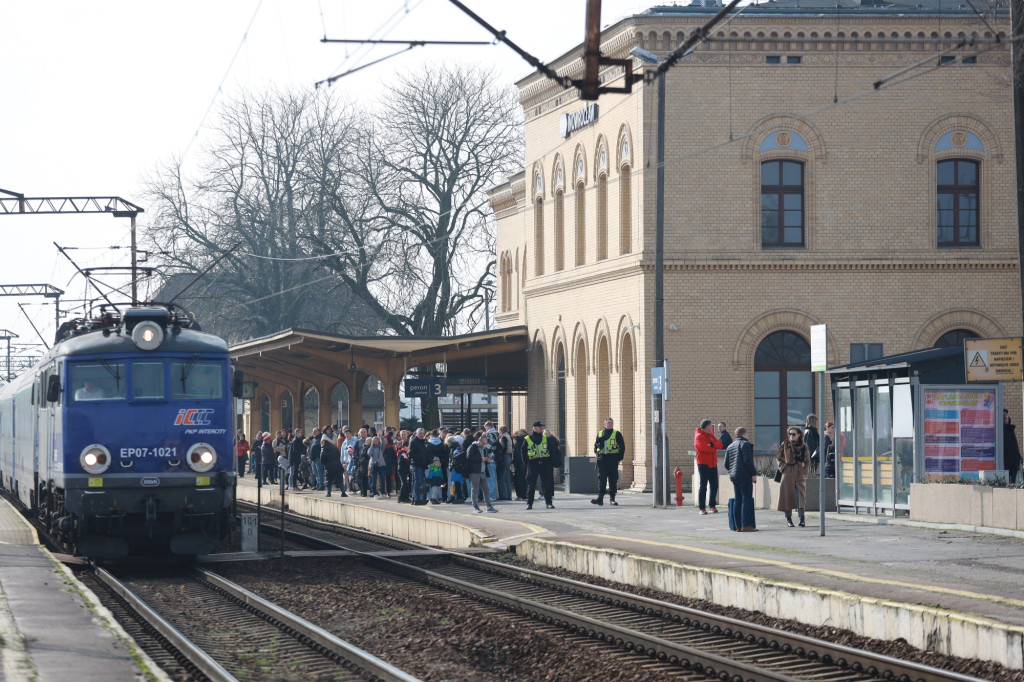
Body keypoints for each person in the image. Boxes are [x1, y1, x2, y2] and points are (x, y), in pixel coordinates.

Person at [724, 427, 758, 532]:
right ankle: (746, 525)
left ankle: (738, 526)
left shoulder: (730, 446)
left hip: (734, 477)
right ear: (744, 434)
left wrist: (732, 472)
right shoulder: (745, 444)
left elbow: (726, 464)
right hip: (744, 476)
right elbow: (748, 460)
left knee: (738, 500)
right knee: (746, 500)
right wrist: (753, 473)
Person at [777, 425, 810, 527]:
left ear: (799, 435)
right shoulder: (785, 444)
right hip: (787, 472)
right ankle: (789, 519)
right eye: (790, 434)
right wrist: (782, 468)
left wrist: (804, 471)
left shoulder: (804, 446)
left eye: (793, 434)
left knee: (800, 496)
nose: (791, 436)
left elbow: (808, 461)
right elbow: (778, 457)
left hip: (799, 472)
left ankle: (802, 519)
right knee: (787, 497)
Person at [591, 417, 625, 506]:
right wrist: (597, 450)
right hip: (602, 460)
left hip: (613, 460)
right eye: (608, 422)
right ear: (604, 424)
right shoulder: (600, 433)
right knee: (601, 479)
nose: (610, 424)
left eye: (611, 422)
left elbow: (622, 447)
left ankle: (612, 499)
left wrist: (619, 458)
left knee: (613, 479)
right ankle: (600, 498)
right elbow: (595, 446)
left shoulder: (617, 434)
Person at [525, 421, 558, 510]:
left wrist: (551, 462)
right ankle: (529, 503)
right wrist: (526, 464)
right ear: (534, 428)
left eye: (541, 427)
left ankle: (549, 503)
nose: (541, 428)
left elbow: (552, 449)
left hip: (545, 463)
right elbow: (523, 452)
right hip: (533, 464)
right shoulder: (527, 438)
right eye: (539, 427)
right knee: (531, 485)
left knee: (547, 484)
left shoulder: (545, 438)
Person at [694, 419, 724, 515]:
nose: (712, 427)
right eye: (711, 426)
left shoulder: (711, 436)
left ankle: (712, 506)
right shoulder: (698, 437)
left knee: (714, 485)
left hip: (713, 464)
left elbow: (720, 445)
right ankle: (702, 508)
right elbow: (705, 449)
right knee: (703, 486)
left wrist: (712, 445)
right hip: (703, 464)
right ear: (706, 426)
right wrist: (713, 447)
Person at [467, 432, 497, 513]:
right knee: (475, 489)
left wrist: (487, 460)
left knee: (486, 489)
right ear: (479, 440)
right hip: (475, 471)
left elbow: (485, 457)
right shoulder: (472, 447)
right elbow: (469, 457)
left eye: (485, 443)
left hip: (482, 471)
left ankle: (489, 506)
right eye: (483, 443)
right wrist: (481, 459)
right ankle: (475, 507)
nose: (484, 445)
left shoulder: (483, 448)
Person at [320, 432, 345, 497]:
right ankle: (343, 492)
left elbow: (322, 460)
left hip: (329, 467)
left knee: (328, 480)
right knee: (340, 480)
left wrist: (325, 464)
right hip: (337, 465)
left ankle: (328, 493)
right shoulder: (335, 448)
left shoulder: (324, 450)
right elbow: (338, 455)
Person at [409, 428, 429, 505]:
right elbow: (411, 453)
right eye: (420, 433)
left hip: (423, 464)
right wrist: (420, 458)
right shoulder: (414, 442)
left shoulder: (424, 442)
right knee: (418, 482)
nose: (421, 435)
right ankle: (417, 498)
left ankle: (420, 498)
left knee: (422, 483)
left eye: (422, 433)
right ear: (416, 433)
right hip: (417, 464)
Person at [496, 425, 514, 501]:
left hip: (505, 457)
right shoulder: (509, 436)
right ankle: (508, 495)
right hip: (509, 456)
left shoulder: (503, 437)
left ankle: (504, 495)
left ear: (500, 431)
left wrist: (501, 456)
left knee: (502, 478)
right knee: (507, 477)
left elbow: (504, 448)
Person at [1004, 410, 1022, 484]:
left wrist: (1019, 458)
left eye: (1006, 415)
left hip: (1014, 463)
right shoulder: (1000, 431)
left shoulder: (1011, 430)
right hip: (1005, 464)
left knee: (1014, 483)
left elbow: (1014, 446)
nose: (1005, 417)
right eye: (1003, 415)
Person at [512, 428, 529, 501]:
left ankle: (520, 495)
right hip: (526, 462)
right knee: (525, 480)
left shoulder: (519, 441)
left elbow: (518, 453)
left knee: (518, 480)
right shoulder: (528, 440)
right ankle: (525, 495)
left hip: (519, 463)